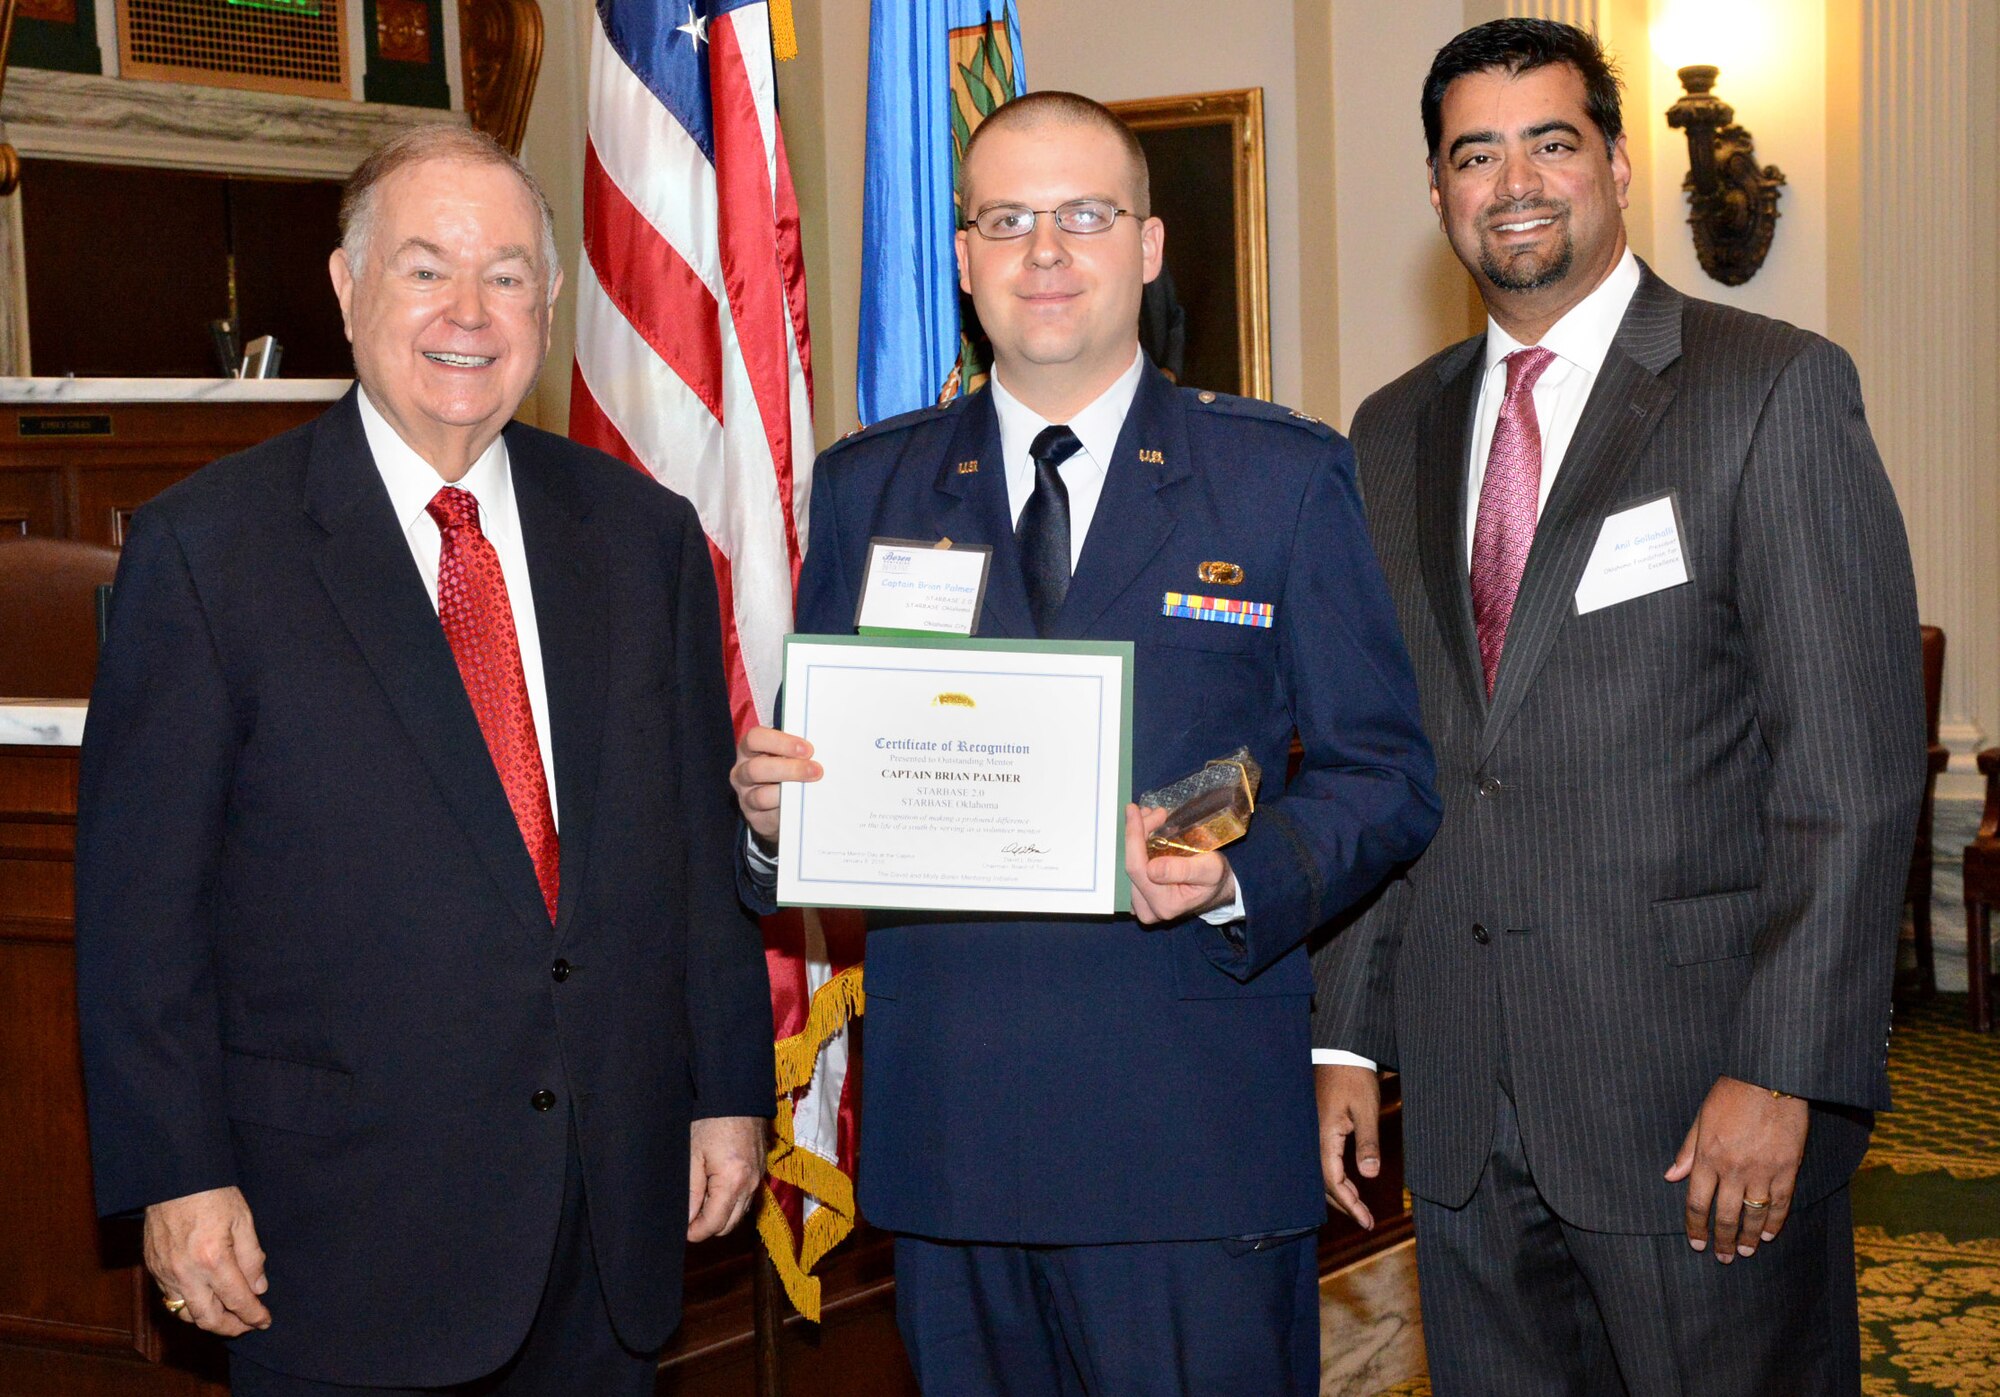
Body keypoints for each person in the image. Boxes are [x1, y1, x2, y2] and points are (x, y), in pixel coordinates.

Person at [732, 91, 1440, 1396]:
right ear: (961, 256)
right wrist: (772, 819)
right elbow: (820, 793)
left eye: (1084, 216)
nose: (1044, 253)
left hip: (1187, 1139)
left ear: (1150, 244)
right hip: (956, 1151)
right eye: (1006, 219)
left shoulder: (1279, 479)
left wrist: (1232, 875)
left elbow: (1387, 779)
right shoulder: (869, 487)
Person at [73, 125, 773, 1397]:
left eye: (507, 274)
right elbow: (139, 916)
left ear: (551, 306)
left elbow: (684, 848)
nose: (469, 311)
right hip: (337, 1237)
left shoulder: (641, 538)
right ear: (346, 289)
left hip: (605, 1225)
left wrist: (726, 1087)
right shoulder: (208, 553)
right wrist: (176, 1169)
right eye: (424, 268)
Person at [1308, 19, 1923, 1396]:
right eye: (1477, 152)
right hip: (1466, 1109)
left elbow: (1853, 773)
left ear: (1620, 166)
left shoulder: (1769, 389)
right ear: (1438, 193)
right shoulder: (1389, 430)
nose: (1514, 179)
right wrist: (1345, 1031)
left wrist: (1788, 1070)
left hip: (1701, 1099)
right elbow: (1385, 750)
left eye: (1550, 141)